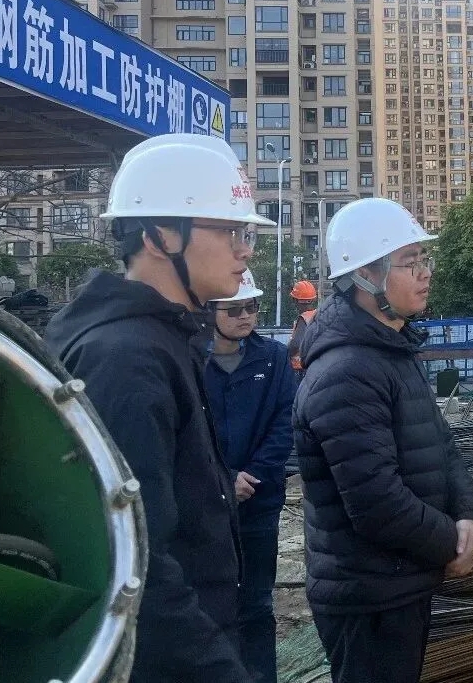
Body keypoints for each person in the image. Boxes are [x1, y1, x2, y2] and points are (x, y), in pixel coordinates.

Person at [45, 133, 274, 682]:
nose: (245, 250)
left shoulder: (164, 339)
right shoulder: (126, 358)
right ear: (158, 236)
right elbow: (137, 561)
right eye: (230, 232)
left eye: (245, 233)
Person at [293, 197, 473, 683]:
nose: (425, 273)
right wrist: (451, 541)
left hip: (399, 583)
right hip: (368, 597)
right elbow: (376, 501)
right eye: (409, 262)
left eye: (425, 259)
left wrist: (467, 514)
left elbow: (442, 445)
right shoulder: (346, 371)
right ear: (365, 276)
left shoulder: (390, 350)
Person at [204, 269, 297, 683]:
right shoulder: (190, 362)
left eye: (251, 307)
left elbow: (284, 422)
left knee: (257, 604)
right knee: (209, 604)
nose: (245, 316)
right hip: (206, 506)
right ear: (209, 312)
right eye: (234, 309)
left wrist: (252, 475)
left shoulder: (273, 359)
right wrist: (223, 478)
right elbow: (184, 433)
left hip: (258, 502)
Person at [288, 279, 318, 375]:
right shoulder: (317, 315)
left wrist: (283, 353)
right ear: (313, 299)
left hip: (300, 369)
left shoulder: (304, 318)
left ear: (295, 300)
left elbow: (296, 344)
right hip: (312, 366)